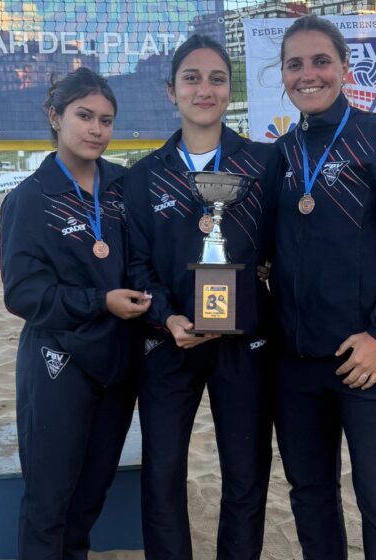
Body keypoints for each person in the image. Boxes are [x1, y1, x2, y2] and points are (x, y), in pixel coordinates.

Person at [271, 15, 376, 559]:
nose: (308, 74)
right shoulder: (278, 156)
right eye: (295, 64)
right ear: (282, 76)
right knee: (311, 497)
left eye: (321, 61)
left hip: (374, 357)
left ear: (345, 69)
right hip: (297, 366)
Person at [123, 34, 281, 560]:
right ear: (171, 91)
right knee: (164, 472)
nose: (204, 89)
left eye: (217, 79)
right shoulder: (144, 176)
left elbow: (283, 251)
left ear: (230, 91)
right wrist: (168, 318)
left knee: (245, 473)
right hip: (170, 343)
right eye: (192, 78)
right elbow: (138, 263)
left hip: (246, 343)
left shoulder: (263, 165)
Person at [0, 67, 151, 560]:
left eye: (106, 120)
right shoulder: (28, 199)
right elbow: (23, 294)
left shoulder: (126, 187)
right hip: (57, 362)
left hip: (117, 364)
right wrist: (97, 302)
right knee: (48, 505)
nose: (96, 130)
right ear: (54, 117)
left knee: (88, 501)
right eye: (84, 116)